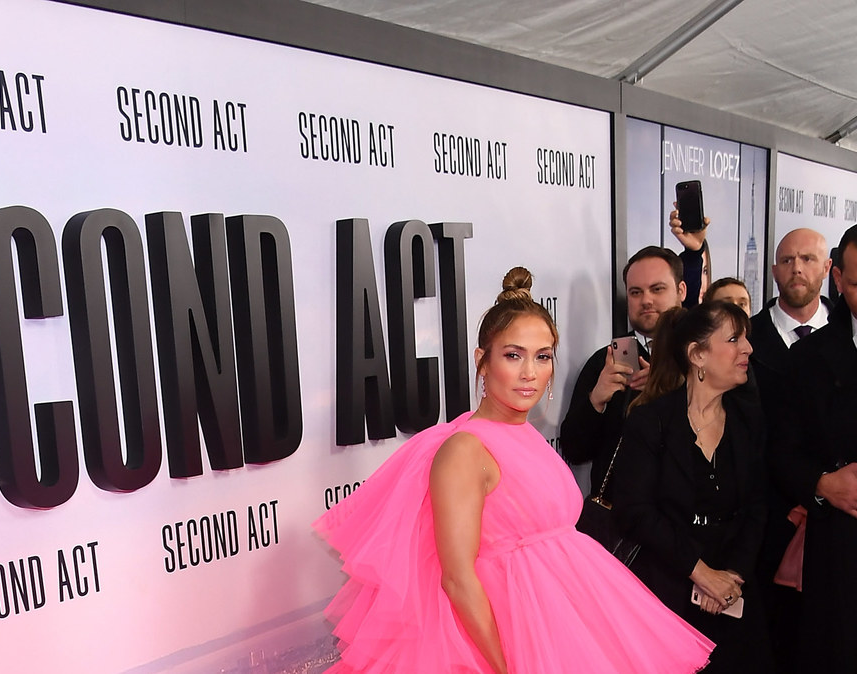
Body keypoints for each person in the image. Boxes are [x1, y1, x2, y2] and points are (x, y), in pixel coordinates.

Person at [315, 268, 712, 673]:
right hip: (501, 643)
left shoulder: (525, 435)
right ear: (482, 362)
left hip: (565, 630)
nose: (529, 373)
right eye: (513, 355)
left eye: (542, 357)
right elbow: (456, 579)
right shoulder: (464, 449)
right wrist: (509, 667)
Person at [614, 302, 770, 672]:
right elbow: (635, 512)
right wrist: (700, 573)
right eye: (734, 339)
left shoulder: (749, 420)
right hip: (667, 593)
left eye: (745, 338)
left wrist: (730, 578)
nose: (747, 348)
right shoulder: (651, 421)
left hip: (737, 594)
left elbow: (759, 506)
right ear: (697, 355)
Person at [774, 224, 857, 671]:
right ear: (839, 280)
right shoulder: (806, 359)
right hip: (838, 559)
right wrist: (822, 484)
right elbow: (781, 453)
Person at [748, 227, 832, 671]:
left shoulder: (846, 341)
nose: (796, 268)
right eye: (786, 260)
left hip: (831, 526)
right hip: (761, 524)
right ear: (774, 269)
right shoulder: (744, 340)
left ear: (828, 269)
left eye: (807, 258)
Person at [561, 246, 687, 500]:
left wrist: (671, 389)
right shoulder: (606, 361)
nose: (646, 300)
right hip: (618, 522)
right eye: (636, 292)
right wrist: (596, 400)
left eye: (657, 289)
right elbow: (574, 450)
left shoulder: (702, 355)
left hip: (684, 516)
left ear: (681, 291)